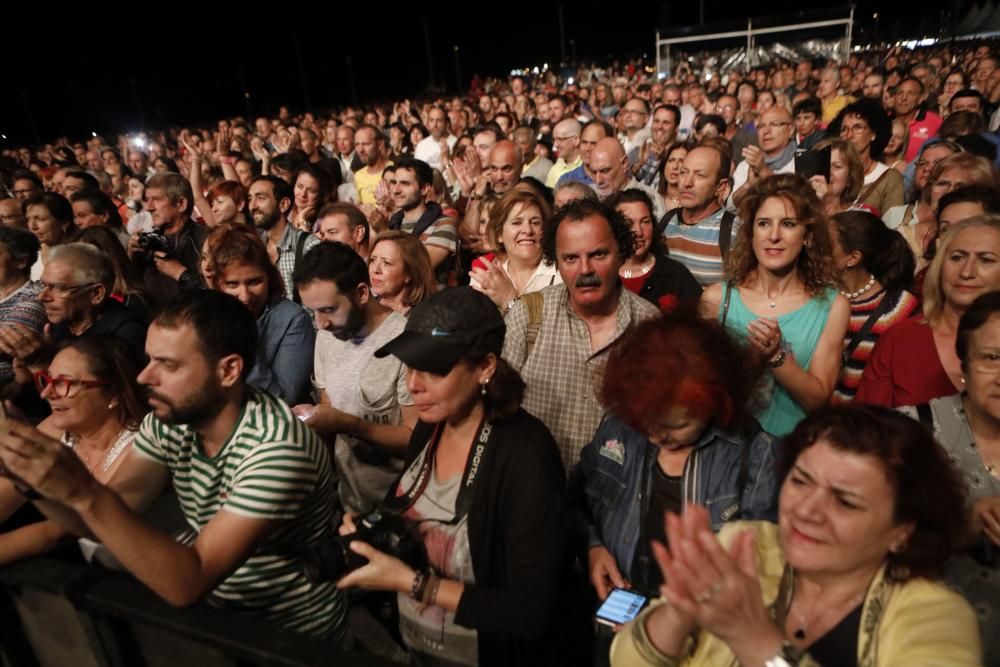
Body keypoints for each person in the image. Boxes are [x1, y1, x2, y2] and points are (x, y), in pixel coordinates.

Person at [0, 291, 347, 638]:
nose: (143, 377)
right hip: (216, 622)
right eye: (149, 359)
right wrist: (29, 478)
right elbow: (103, 521)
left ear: (228, 370)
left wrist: (83, 490)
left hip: (288, 635)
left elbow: (189, 581)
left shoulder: (275, 450)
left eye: (168, 365)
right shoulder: (169, 422)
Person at [610, 405, 980, 667]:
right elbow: (626, 660)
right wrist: (679, 612)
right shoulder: (748, 542)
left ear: (903, 531)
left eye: (845, 502)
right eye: (800, 481)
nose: (806, 510)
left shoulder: (936, 617)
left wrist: (755, 640)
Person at [338, 286, 566, 666]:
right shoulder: (432, 425)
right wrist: (370, 531)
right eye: (410, 366)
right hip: (414, 648)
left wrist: (415, 585)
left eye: (435, 370)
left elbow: (529, 612)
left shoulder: (526, 454)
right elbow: (407, 509)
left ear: (485, 367)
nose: (413, 384)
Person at [574, 314, 778, 664]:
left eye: (676, 425)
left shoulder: (754, 455)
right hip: (613, 624)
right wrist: (593, 547)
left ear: (717, 403)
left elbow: (759, 580)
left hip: (699, 643)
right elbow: (576, 499)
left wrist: (665, 623)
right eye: (646, 421)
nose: (656, 435)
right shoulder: (621, 427)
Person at [503, 199, 660, 470]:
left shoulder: (650, 326)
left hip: (615, 499)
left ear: (620, 254)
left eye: (598, 255)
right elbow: (500, 412)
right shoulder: (529, 316)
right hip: (536, 489)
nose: (585, 269)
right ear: (556, 261)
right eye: (571, 258)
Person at [700, 174, 850, 436]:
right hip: (727, 450)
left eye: (789, 224)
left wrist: (775, 357)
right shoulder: (717, 299)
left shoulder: (832, 305)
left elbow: (818, 399)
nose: (774, 236)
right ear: (751, 233)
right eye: (764, 224)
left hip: (790, 453)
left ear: (808, 237)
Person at [899, 291, 1000, 665]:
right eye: (992, 358)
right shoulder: (913, 432)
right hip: (924, 648)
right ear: (964, 366)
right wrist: (960, 529)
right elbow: (866, 545)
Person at [292, 242, 417, 515]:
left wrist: (351, 425)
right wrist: (313, 418)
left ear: (361, 293)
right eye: (313, 312)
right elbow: (329, 406)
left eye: (328, 310)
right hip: (347, 503)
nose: (319, 323)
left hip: (398, 509)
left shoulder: (405, 343)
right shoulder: (327, 334)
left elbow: (416, 440)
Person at [0, 337, 145, 565]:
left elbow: (54, 534)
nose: (46, 393)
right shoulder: (60, 427)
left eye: (63, 383)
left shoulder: (141, 446)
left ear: (113, 394)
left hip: (146, 589)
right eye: (45, 380)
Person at [857, 216, 1000, 407]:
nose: (967, 272)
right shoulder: (900, 339)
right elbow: (865, 429)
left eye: (985, 260)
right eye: (957, 257)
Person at [209, 225, 314, 405]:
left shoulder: (292, 319)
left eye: (254, 282)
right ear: (219, 284)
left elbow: (281, 401)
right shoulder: (207, 317)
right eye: (233, 284)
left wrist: (243, 335)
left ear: (269, 277)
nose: (245, 296)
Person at [827, 210, 920, 404]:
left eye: (825, 244)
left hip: (861, 427)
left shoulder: (899, 309)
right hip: (816, 422)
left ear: (852, 258)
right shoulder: (816, 296)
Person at [469, 184, 561, 311]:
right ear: (499, 234)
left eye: (535, 222)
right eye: (517, 223)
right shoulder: (486, 280)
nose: (528, 230)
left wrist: (510, 301)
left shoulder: (561, 274)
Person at [610, 189, 701, 311]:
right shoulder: (604, 274)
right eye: (628, 223)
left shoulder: (675, 274)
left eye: (645, 222)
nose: (638, 231)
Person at [660, 145, 735, 287]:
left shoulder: (733, 231)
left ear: (721, 187)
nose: (687, 183)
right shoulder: (666, 222)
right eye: (683, 172)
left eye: (699, 175)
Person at [126, 172, 206, 305]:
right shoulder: (146, 240)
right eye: (147, 200)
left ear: (181, 204)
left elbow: (215, 295)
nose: (149, 207)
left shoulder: (205, 242)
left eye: (156, 199)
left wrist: (182, 275)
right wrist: (131, 256)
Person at [831, 97, 905, 214]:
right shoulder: (831, 173)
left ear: (874, 134)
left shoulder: (890, 179)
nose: (849, 135)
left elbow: (893, 227)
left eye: (857, 128)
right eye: (844, 129)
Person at [367, 230, 437, 314]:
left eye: (387, 263)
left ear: (409, 273)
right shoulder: (365, 308)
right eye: (373, 260)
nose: (375, 270)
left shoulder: (425, 315)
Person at [24, 192, 77, 281]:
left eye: (40, 219)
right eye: (28, 219)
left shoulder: (79, 256)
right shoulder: (27, 257)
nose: (33, 226)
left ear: (64, 222)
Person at [655, 143, 688, 212]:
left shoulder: (693, 203)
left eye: (681, 161)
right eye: (671, 160)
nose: (675, 166)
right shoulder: (653, 199)